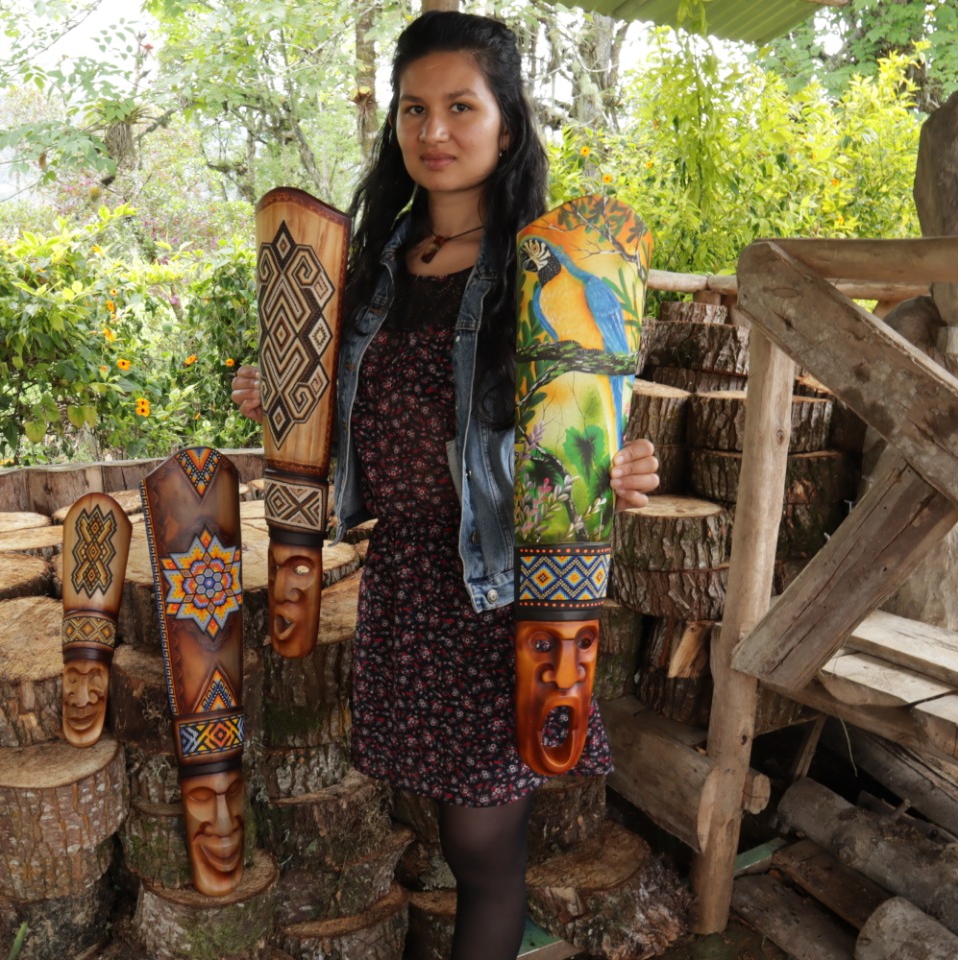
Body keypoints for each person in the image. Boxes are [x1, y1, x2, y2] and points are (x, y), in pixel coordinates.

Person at [232, 11, 659, 958]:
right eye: (413, 109)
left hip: (504, 593)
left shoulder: (548, 266)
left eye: (461, 107)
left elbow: (585, 420)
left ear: (507, 123)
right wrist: (287, 397)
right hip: (408, 585)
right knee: (450, 829)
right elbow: (349, 420)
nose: (433, 131)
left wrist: (614, 464)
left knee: (483, 848)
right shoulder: (373, 267)